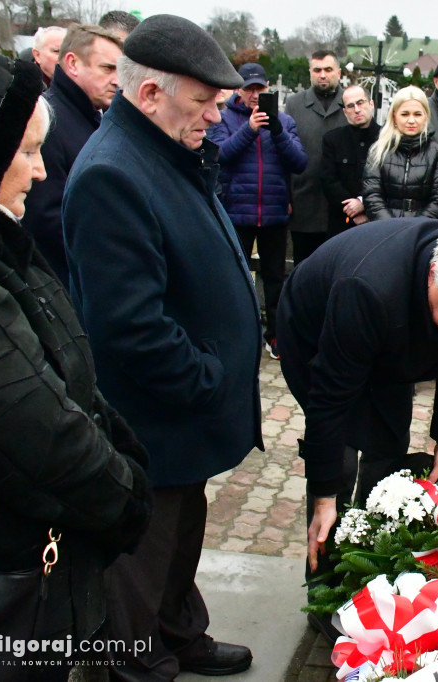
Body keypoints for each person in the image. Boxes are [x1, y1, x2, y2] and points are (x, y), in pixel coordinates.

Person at [0, 34, 151, 679]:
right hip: (0, 579)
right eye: (24, 151)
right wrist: (128, 495)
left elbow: (65, 378)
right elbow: (35, 428)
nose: (41, 169)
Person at [62, 15, 262, 680]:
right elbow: (130, 327)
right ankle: (134, 662)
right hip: (157, 417)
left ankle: (180, 632)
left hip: (187, 415)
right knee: (142, 556)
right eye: (202, 103)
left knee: (181, 536)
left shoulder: (164, 148)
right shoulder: (112, 173)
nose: (216, 116)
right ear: (149, 94)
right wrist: (207, 378)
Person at [276, 221, 438, 581]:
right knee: (339, 456)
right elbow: (329, 401)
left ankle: (371, 552)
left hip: (393, 330)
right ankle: (325, 577)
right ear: (433, 275)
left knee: (389, 436)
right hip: (319, 333)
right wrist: (324, 496)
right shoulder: (368, 288)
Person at [209, 62, 307, 360]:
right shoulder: (224, 118)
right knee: (234, 276)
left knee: (276, 278)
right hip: (238, 211)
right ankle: (234, 331)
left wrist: (276, 130)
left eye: (259, 89)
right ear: (239, 89)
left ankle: (274, 334)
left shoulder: (285, 122)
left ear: (267, 89)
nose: (254, 95)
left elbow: (299, 162)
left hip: (275, 213)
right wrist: (250, 130)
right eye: (249, 88)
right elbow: (220, 155)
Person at [22, 24, 123, 286]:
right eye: (107, 68)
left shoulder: (91, 116)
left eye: (120, 70)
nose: (117, 80)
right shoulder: (48, 120)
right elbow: (46, 218)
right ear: (73, 64)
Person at [284, 49, 347, 263]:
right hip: (304, 202)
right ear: (310, 72)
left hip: (341, 205)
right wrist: (286, 195)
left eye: (328, 70)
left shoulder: (351, 104)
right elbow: (284, 151)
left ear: (338, 72)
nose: (323, 75)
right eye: (317, 70)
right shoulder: (294, 104)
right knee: (303, 267)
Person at [361, 86, 438, 220]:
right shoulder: (378, 150)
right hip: (385, 229)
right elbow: (372, 196)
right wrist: (392, 228)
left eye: (417, 114)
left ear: (426, 116)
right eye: (405, 114)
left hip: (423, 230)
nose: (411, 120)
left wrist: (416, 229)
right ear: (394, 116)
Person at [320, 84, 380, 237]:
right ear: (345, 112)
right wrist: (352, 210)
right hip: (341, 224)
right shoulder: (333, 140)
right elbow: (329, 180)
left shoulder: (386, 138)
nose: (357, 110)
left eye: (361, 103)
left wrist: (363, 204)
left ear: (371, 104)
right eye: (351, 106)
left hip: (377, 221)